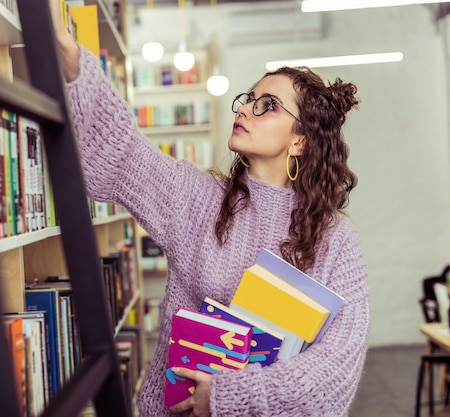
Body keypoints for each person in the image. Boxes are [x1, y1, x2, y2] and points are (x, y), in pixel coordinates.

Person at [49, 1, 370, 415]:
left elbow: (335, 370)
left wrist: (226, 396)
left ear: (300, 141)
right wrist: (67, 51)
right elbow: (123, 153)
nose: (243, 108)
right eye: (247, 98)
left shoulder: (335, 240)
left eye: (267, 105)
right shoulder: (197, 198)